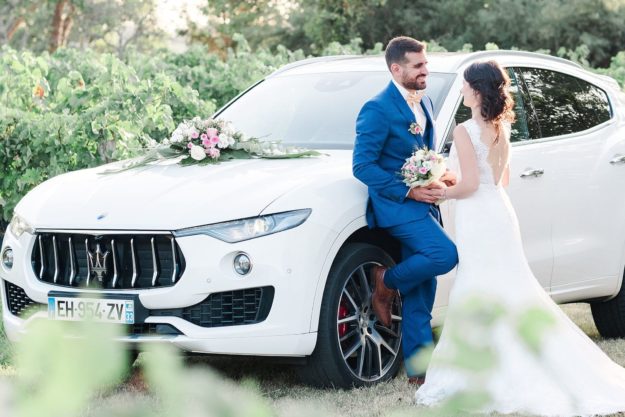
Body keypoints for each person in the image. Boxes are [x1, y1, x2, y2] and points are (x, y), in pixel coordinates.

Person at [415, 60, 625, 416]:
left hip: (478, 216)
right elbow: (500, 179)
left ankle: (481, 370)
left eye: (466, 85)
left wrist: (440, 192)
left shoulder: (465, 130)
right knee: (510, 286)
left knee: (479, 286)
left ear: (478, 89)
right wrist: (459, 180)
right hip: (499, 210)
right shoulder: (503, 126)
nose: (463, 90)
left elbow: (468, 185)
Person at [352, 36, 459, 384]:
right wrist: (409, 191)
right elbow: (362, 166)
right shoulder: (376, 108)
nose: (426, 70)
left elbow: (421, 153)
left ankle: (418, 371)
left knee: (422, 291)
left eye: (425, 63)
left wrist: (440, 177)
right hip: (397, 206)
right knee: (444, 254)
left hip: (424, 204)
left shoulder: (424, 101)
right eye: (418, 65)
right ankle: (385, 280)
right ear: (396, 68)